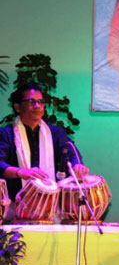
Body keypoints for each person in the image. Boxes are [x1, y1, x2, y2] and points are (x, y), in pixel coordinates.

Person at [0, 83, 89, 218]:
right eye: (31, 102)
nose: (37, 106)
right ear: (17, 107)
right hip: (14, 207)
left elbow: (71, 153)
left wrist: (77, 165)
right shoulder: (6, 134)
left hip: (50, 207)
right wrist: (21, 172)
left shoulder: (55, 133)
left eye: (40, 102)